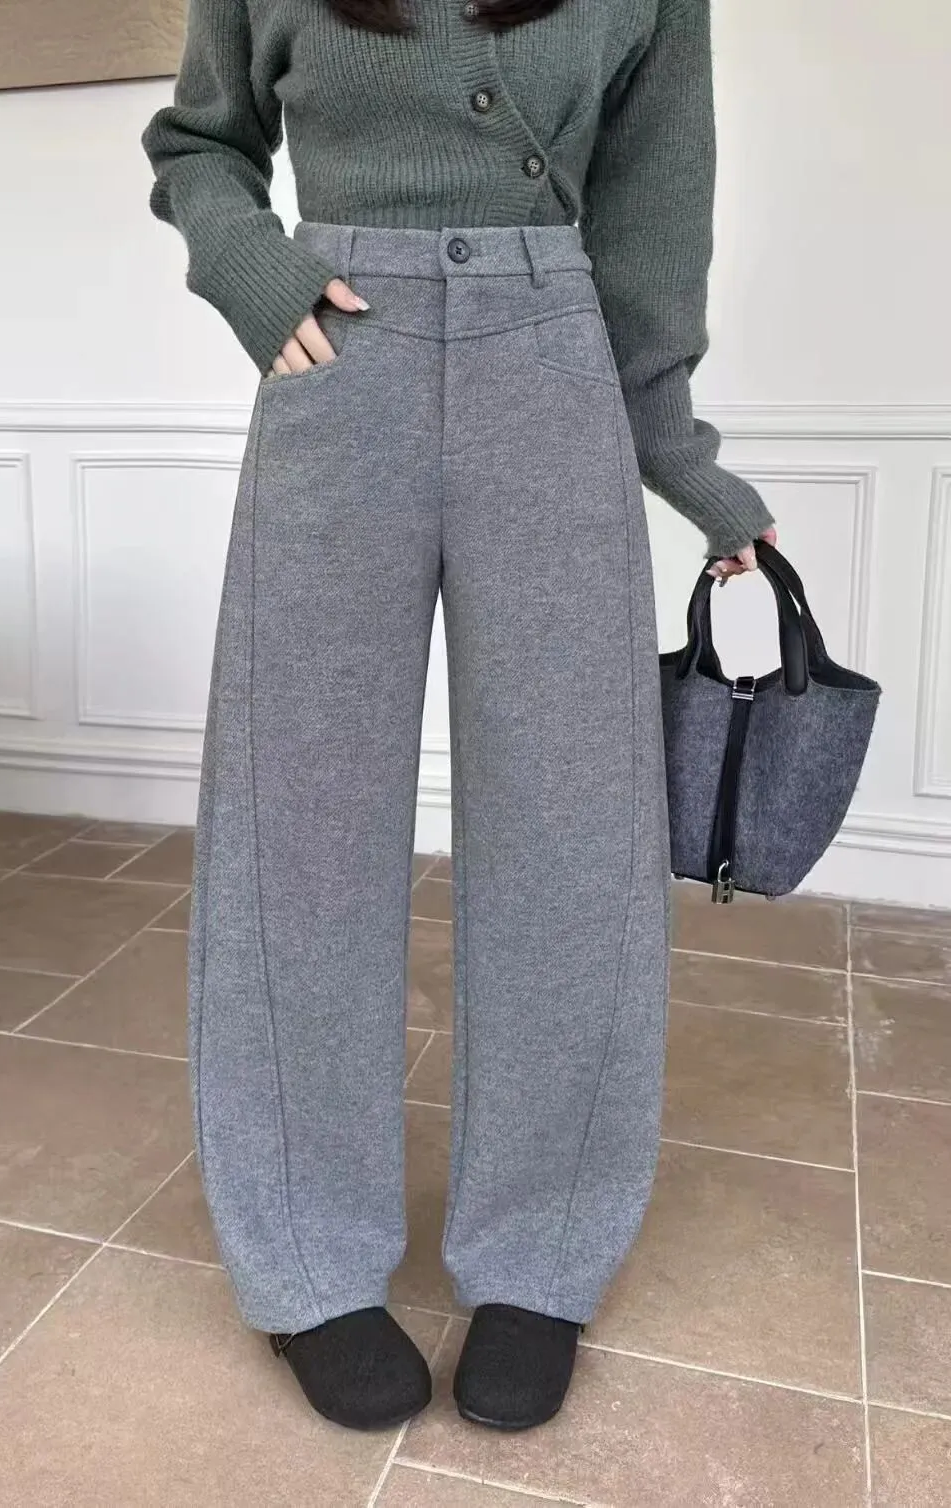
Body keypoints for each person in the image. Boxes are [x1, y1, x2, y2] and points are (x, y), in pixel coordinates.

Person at [141, 0, 777, 1434]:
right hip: (337, 369)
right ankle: (308, 1261)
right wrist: (258, 277)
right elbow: (198, 143)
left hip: (553, 375)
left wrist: (687, 467)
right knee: (297, 839)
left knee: (575, 841)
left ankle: (542, 1257)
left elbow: (654, 214)